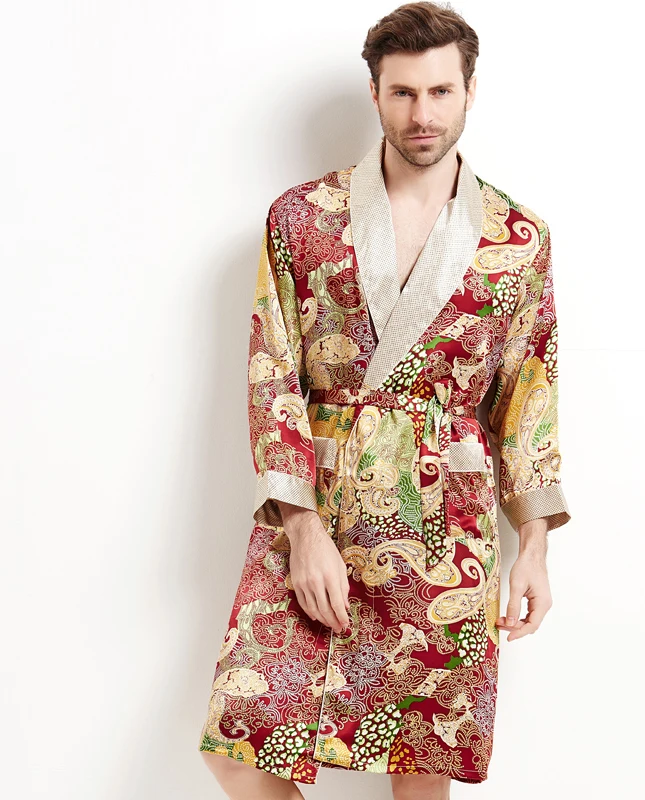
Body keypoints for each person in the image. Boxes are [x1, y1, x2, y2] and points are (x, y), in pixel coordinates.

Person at [198, 2, 571, 797]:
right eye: (403, 92)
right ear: (374, 93)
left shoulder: (518, 238)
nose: (422, 114)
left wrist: (535, 546)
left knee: (421, 765)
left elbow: (528, 400)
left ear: (471, 90)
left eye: (440, 91)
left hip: (445, 528)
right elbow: (272, 375)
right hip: (318, 509)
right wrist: (302, 530)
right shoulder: (303, 217)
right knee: (238, 745)